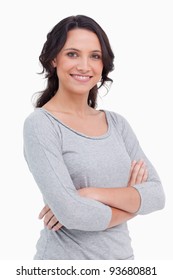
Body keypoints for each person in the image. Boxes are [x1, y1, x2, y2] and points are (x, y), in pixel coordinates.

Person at [23, 15, 165, 260]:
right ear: (54, 58)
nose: (84, 66)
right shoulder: (41, 125)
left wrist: (90, 194)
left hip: (123, 264)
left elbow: (156, 195)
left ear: (103, 64)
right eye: (72, 54)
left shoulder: (117, 124)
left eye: (95, 56)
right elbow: (73, 214)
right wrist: (132, 203)